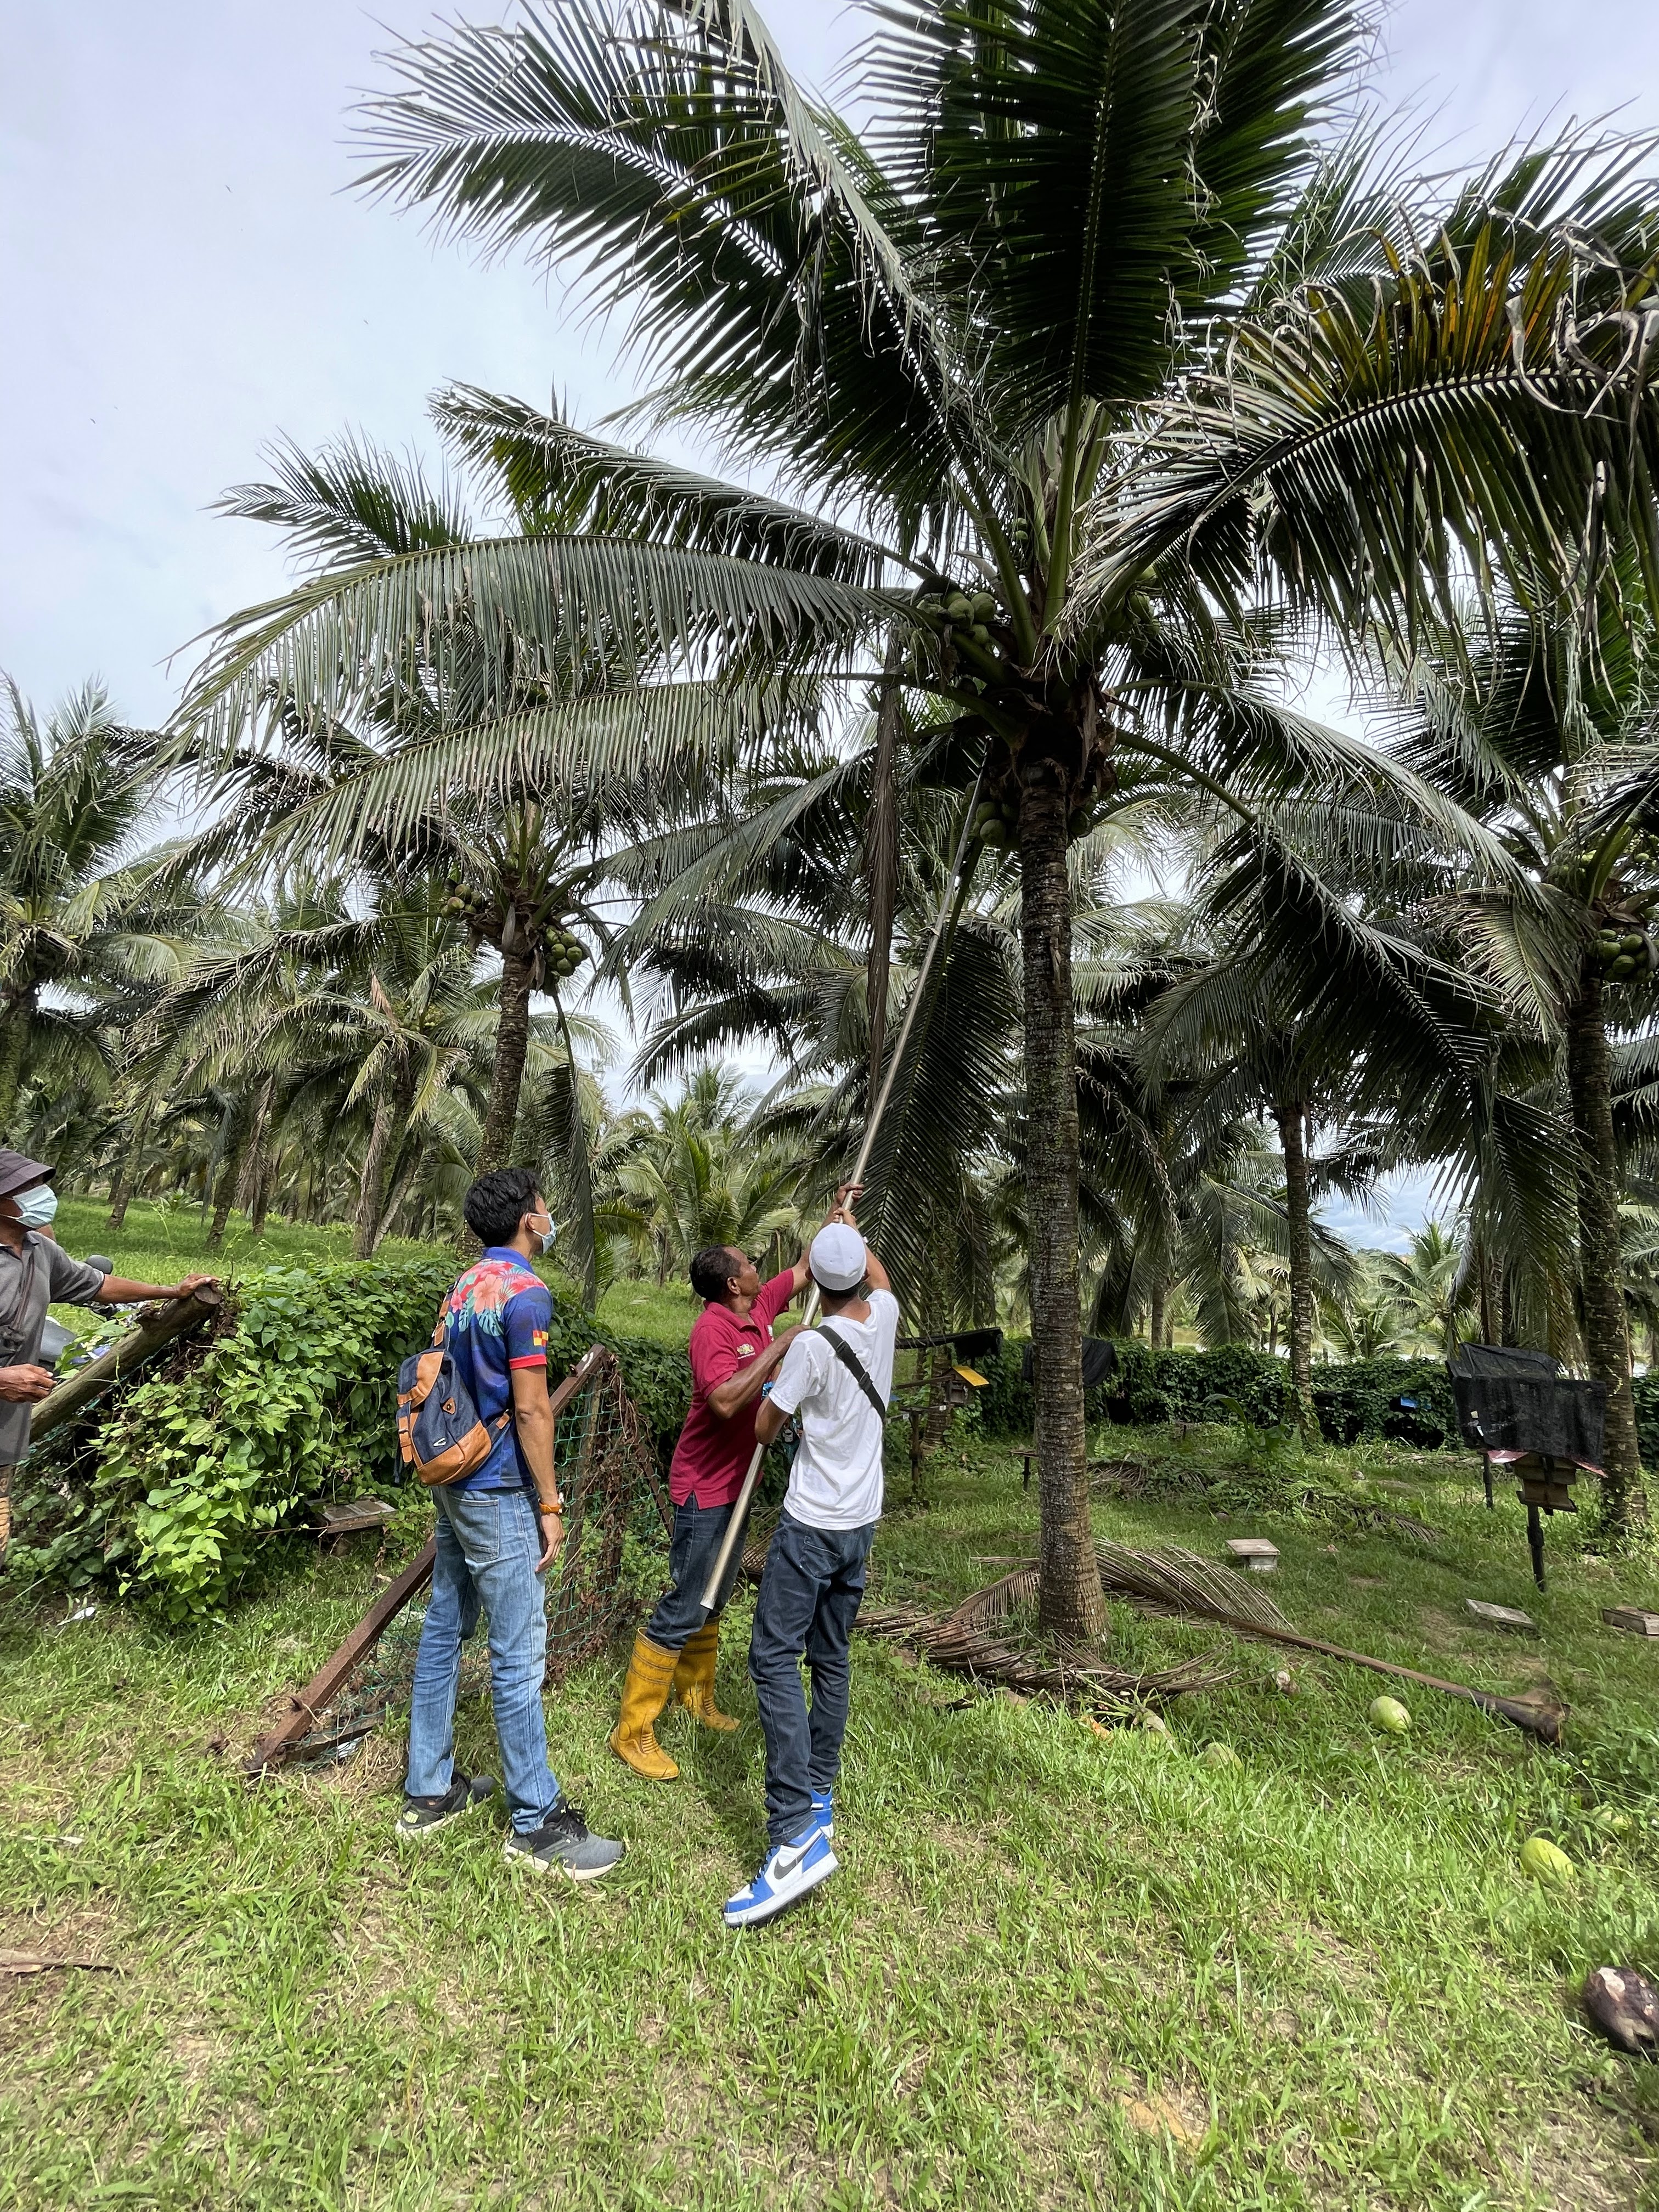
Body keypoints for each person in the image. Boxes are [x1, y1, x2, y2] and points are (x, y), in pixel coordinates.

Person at [400, 1165, 624, 1881]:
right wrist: (551, 1506)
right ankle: (537, 1822)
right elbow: (532, 1409)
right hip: (497, 1489)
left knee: (444, 1628)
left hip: (452, 1478)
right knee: (518, 1654)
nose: (551, 1213)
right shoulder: (527, 1295)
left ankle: (428, 1789)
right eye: (545, 1204)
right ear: (530, 1218)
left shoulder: (464, 1286)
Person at [724, 1209, 898, 1929]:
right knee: (830, 1657)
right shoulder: (884, 1315)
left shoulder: (814, 1346)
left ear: (816, 1283)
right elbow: (877, 1275)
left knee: (770, 1660)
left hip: (813, 1527)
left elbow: (767, 1426)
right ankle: (819, 1788)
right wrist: (853, 1230)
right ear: (858, 1270)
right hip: (861, 1526)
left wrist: (782, 1382)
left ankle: (794, 1835)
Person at [0, 1150, 215, 1561]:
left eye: (37, 1184)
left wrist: (173, 1292)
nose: (39, 1193)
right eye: (25, 1187)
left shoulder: (39, 1251)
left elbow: (98, 1284)